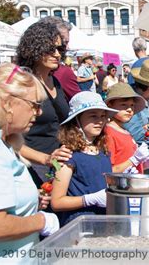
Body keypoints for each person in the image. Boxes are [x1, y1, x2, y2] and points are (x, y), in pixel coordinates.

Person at [0, 63, 59, 262]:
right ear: (7, 102)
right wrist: (41, 221)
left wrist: (30, 204)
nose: (39, 112)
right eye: (34, 104)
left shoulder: (2, 143)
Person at [16, 21, 73, 187]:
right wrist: (45, 159)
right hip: (30, 167)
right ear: (35, 48)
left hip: (55, 165)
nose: (57, 54)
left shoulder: (54, 80)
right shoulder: (22, 83)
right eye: (50, 49)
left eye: (60, 49)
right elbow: (5, 137)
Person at [50, 91, 117, 226]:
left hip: (104, 221)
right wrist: (88, 199)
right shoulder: (67, 154)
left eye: (103, 116)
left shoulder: (102, 150)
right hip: (80, 224)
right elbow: (56, 202)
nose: (100, 121)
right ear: (77, 120)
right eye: (93, 116)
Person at [105, 83, 149, 173]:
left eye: (132, 105)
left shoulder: (125, 131)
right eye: (123, 105)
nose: (129, 109)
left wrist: (144, 164)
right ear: (110, 106)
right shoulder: (109, 133)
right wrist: (134, 160)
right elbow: (109, 171)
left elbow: (126, 162)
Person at [43, 16, 81, 102]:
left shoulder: (64, 72)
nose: (67, 47)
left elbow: (80, 103)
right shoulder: (24, 77)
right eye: (64, 43)